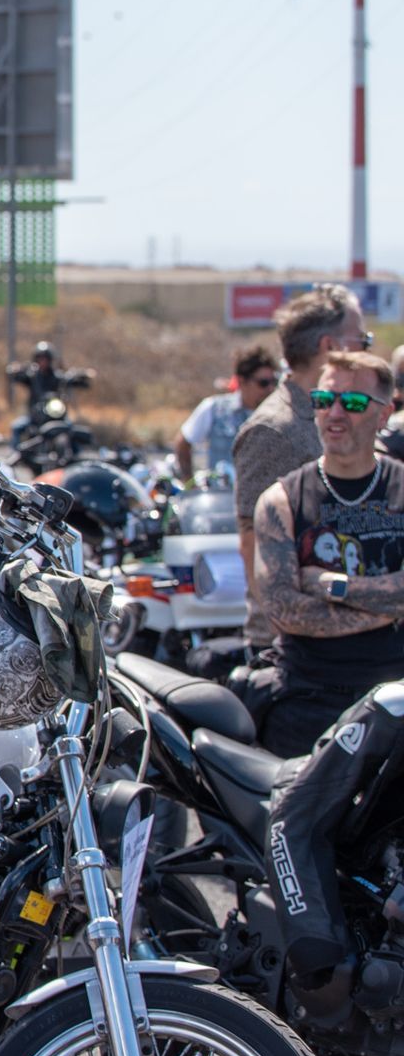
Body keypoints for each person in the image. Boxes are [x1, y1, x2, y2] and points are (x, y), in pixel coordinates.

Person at [249, 351, 404, 755]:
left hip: (398, 695)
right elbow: (284, 610)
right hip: (310, 700)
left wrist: (331, 586)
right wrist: (389, 605)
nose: (335, 413)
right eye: (324, 400)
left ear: (384, 414)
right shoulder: (281, 500)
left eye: (352, 403)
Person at [235, 284, 370, 653]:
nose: (368, 353)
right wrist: (285, 640)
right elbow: (252, 545)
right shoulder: (274, 429)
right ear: (331, 348)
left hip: (345, 637)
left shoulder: (332, 416)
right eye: (363, 341)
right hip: (297, 651)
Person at [174, 346, 278, 478]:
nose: (270, 389)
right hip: (222, 496)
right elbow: (183, 442)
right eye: (263, 383)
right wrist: (189, 483)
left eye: (273, 382)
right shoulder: (214, 408)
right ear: (242, 381)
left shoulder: (277, 414)